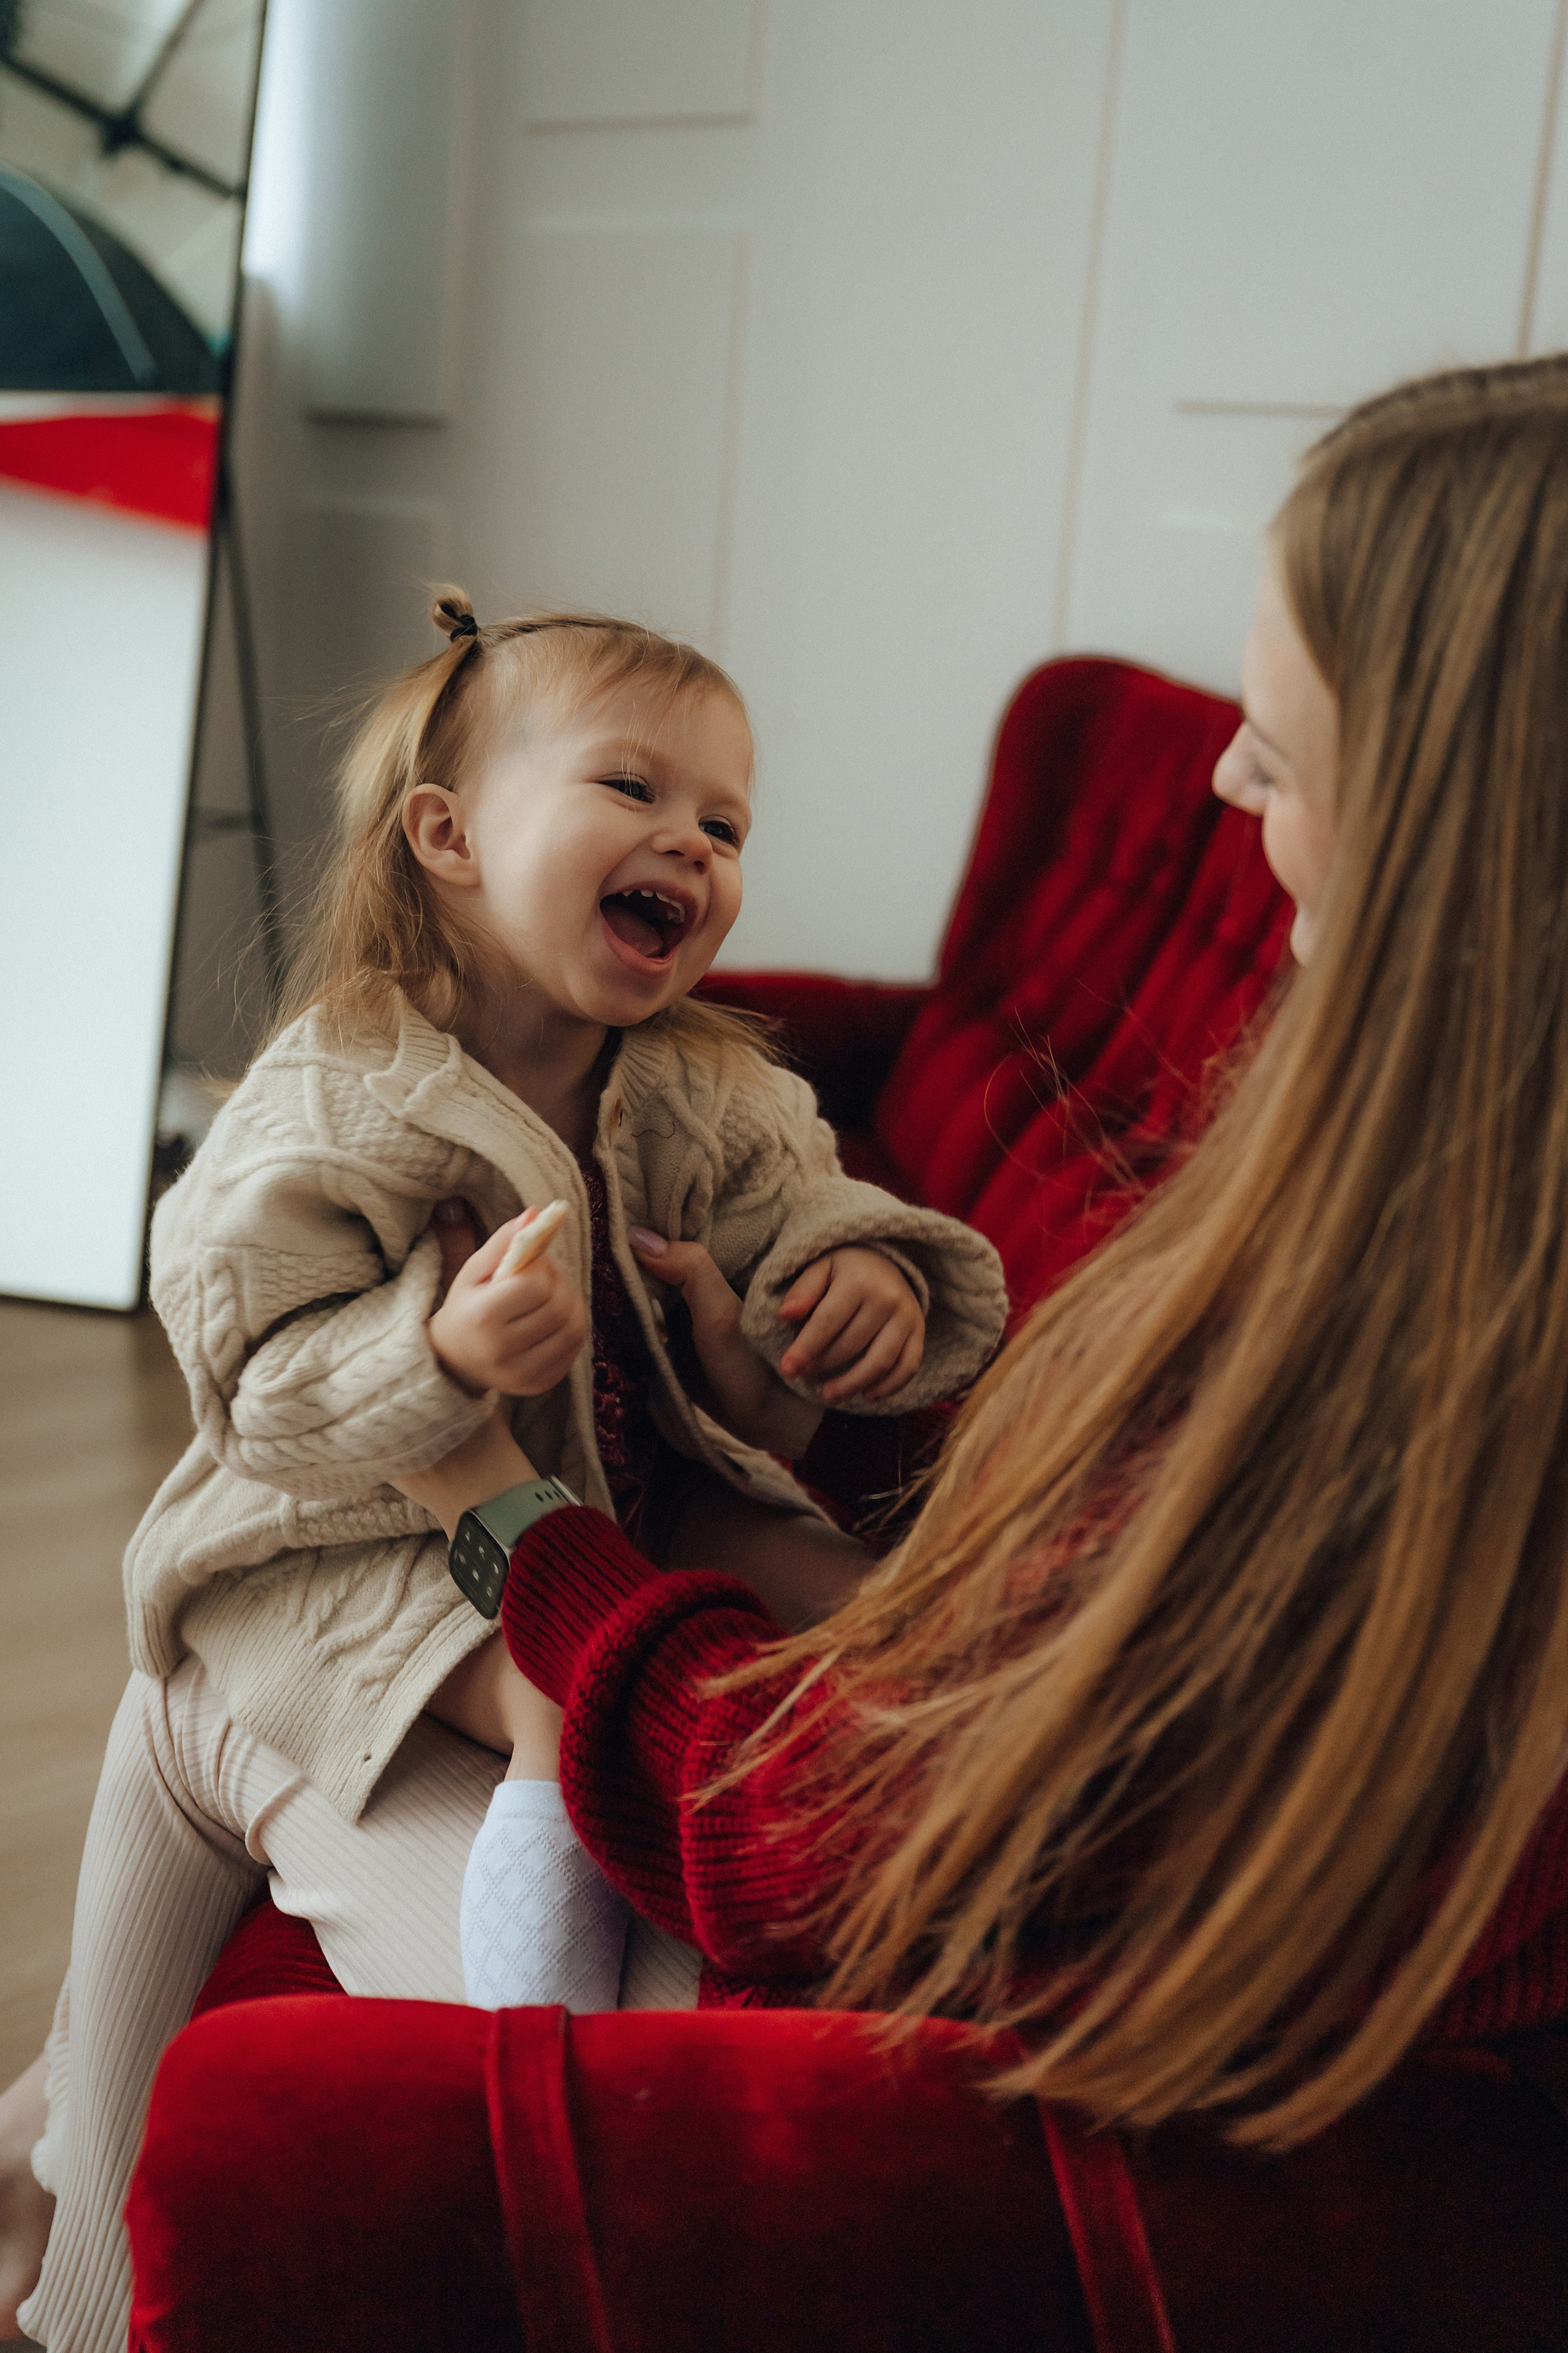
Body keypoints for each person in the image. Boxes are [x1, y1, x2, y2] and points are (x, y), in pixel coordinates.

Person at [390, 355, 1568, 2155]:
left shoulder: (1405, 1373)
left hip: (888, 2075)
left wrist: (506, 1515)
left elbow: (801, 1845)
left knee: (197, 1725)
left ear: (1450, 823)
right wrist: (797, 1423)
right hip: (983, 1918)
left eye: (1280, 745)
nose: (1224, 769)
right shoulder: (1441, 1265)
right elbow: (1083, 1625)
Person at [5, 596, 1006, 2351]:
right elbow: (249, 1385)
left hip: (618, 1516)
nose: (692, 843)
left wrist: (855, 1280)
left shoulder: (708, 1086)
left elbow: (804, 1208)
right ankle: (529, 1993)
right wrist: (440, 1352)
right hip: (343, 1561)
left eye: (727, 822)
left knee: (868, 1615)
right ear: (449, 838)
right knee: (556, 1726)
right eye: (635, 788)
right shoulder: (336, 1100)